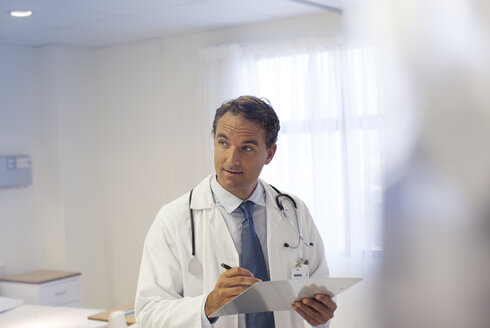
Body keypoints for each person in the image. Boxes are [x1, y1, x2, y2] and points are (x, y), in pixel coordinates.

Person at [135, 95, 337, 328]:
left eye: (247, 148)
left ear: (269, 154)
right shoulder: (173, 219)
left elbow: (319, 290)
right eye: (223, 143)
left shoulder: (295, 211)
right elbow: (148, 315)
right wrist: (209, 305)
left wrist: (320, 317)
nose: (232, 159)